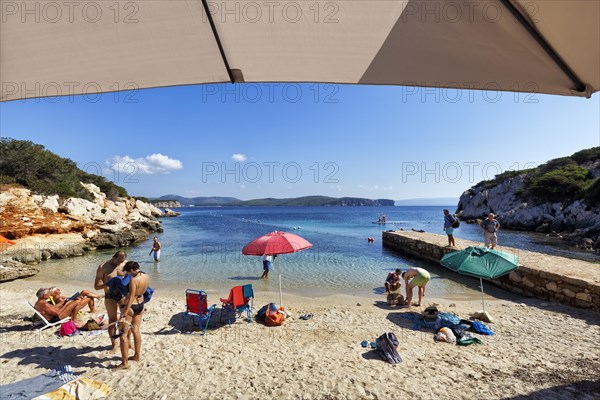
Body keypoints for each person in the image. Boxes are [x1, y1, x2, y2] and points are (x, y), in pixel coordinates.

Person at [113, 261, 150, 371]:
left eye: (129, 272)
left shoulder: (133, 280)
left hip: (132, 307)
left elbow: (131, 298)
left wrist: (124, 313)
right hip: (141, 304)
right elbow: (142, 292)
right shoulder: (146, 275)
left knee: (123, 335)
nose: (128, 274)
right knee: (136, 330)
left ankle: (124, 363)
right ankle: (137, 356)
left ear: (133, 270)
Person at [94, 251, 127, 353]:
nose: (119, 264)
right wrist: (108, 283)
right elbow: (96, 286)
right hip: (110, 295)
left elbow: (133, 278)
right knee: (112, 320)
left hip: (123, 295)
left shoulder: (125, 265)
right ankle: (114, 345)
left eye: (121, 261)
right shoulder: (103, 267)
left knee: (124, 320)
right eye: (118, 261)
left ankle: (126, 342)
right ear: (113, 257)